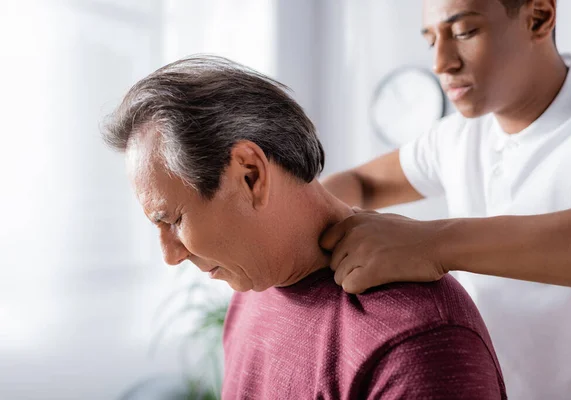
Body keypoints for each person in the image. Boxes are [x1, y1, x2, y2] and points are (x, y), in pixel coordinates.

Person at [103, 56, 507, 399]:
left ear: (249, 175)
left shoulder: (418, 342)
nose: (171, 255)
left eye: (173, 219)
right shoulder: (254, 288)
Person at [320, 0, 571, 399]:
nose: (440, 63)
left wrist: (432, 244)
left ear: (538, 18)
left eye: (464, 32)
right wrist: (296, 216)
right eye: (431, 39)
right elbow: (361, 182)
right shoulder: (457, 136)